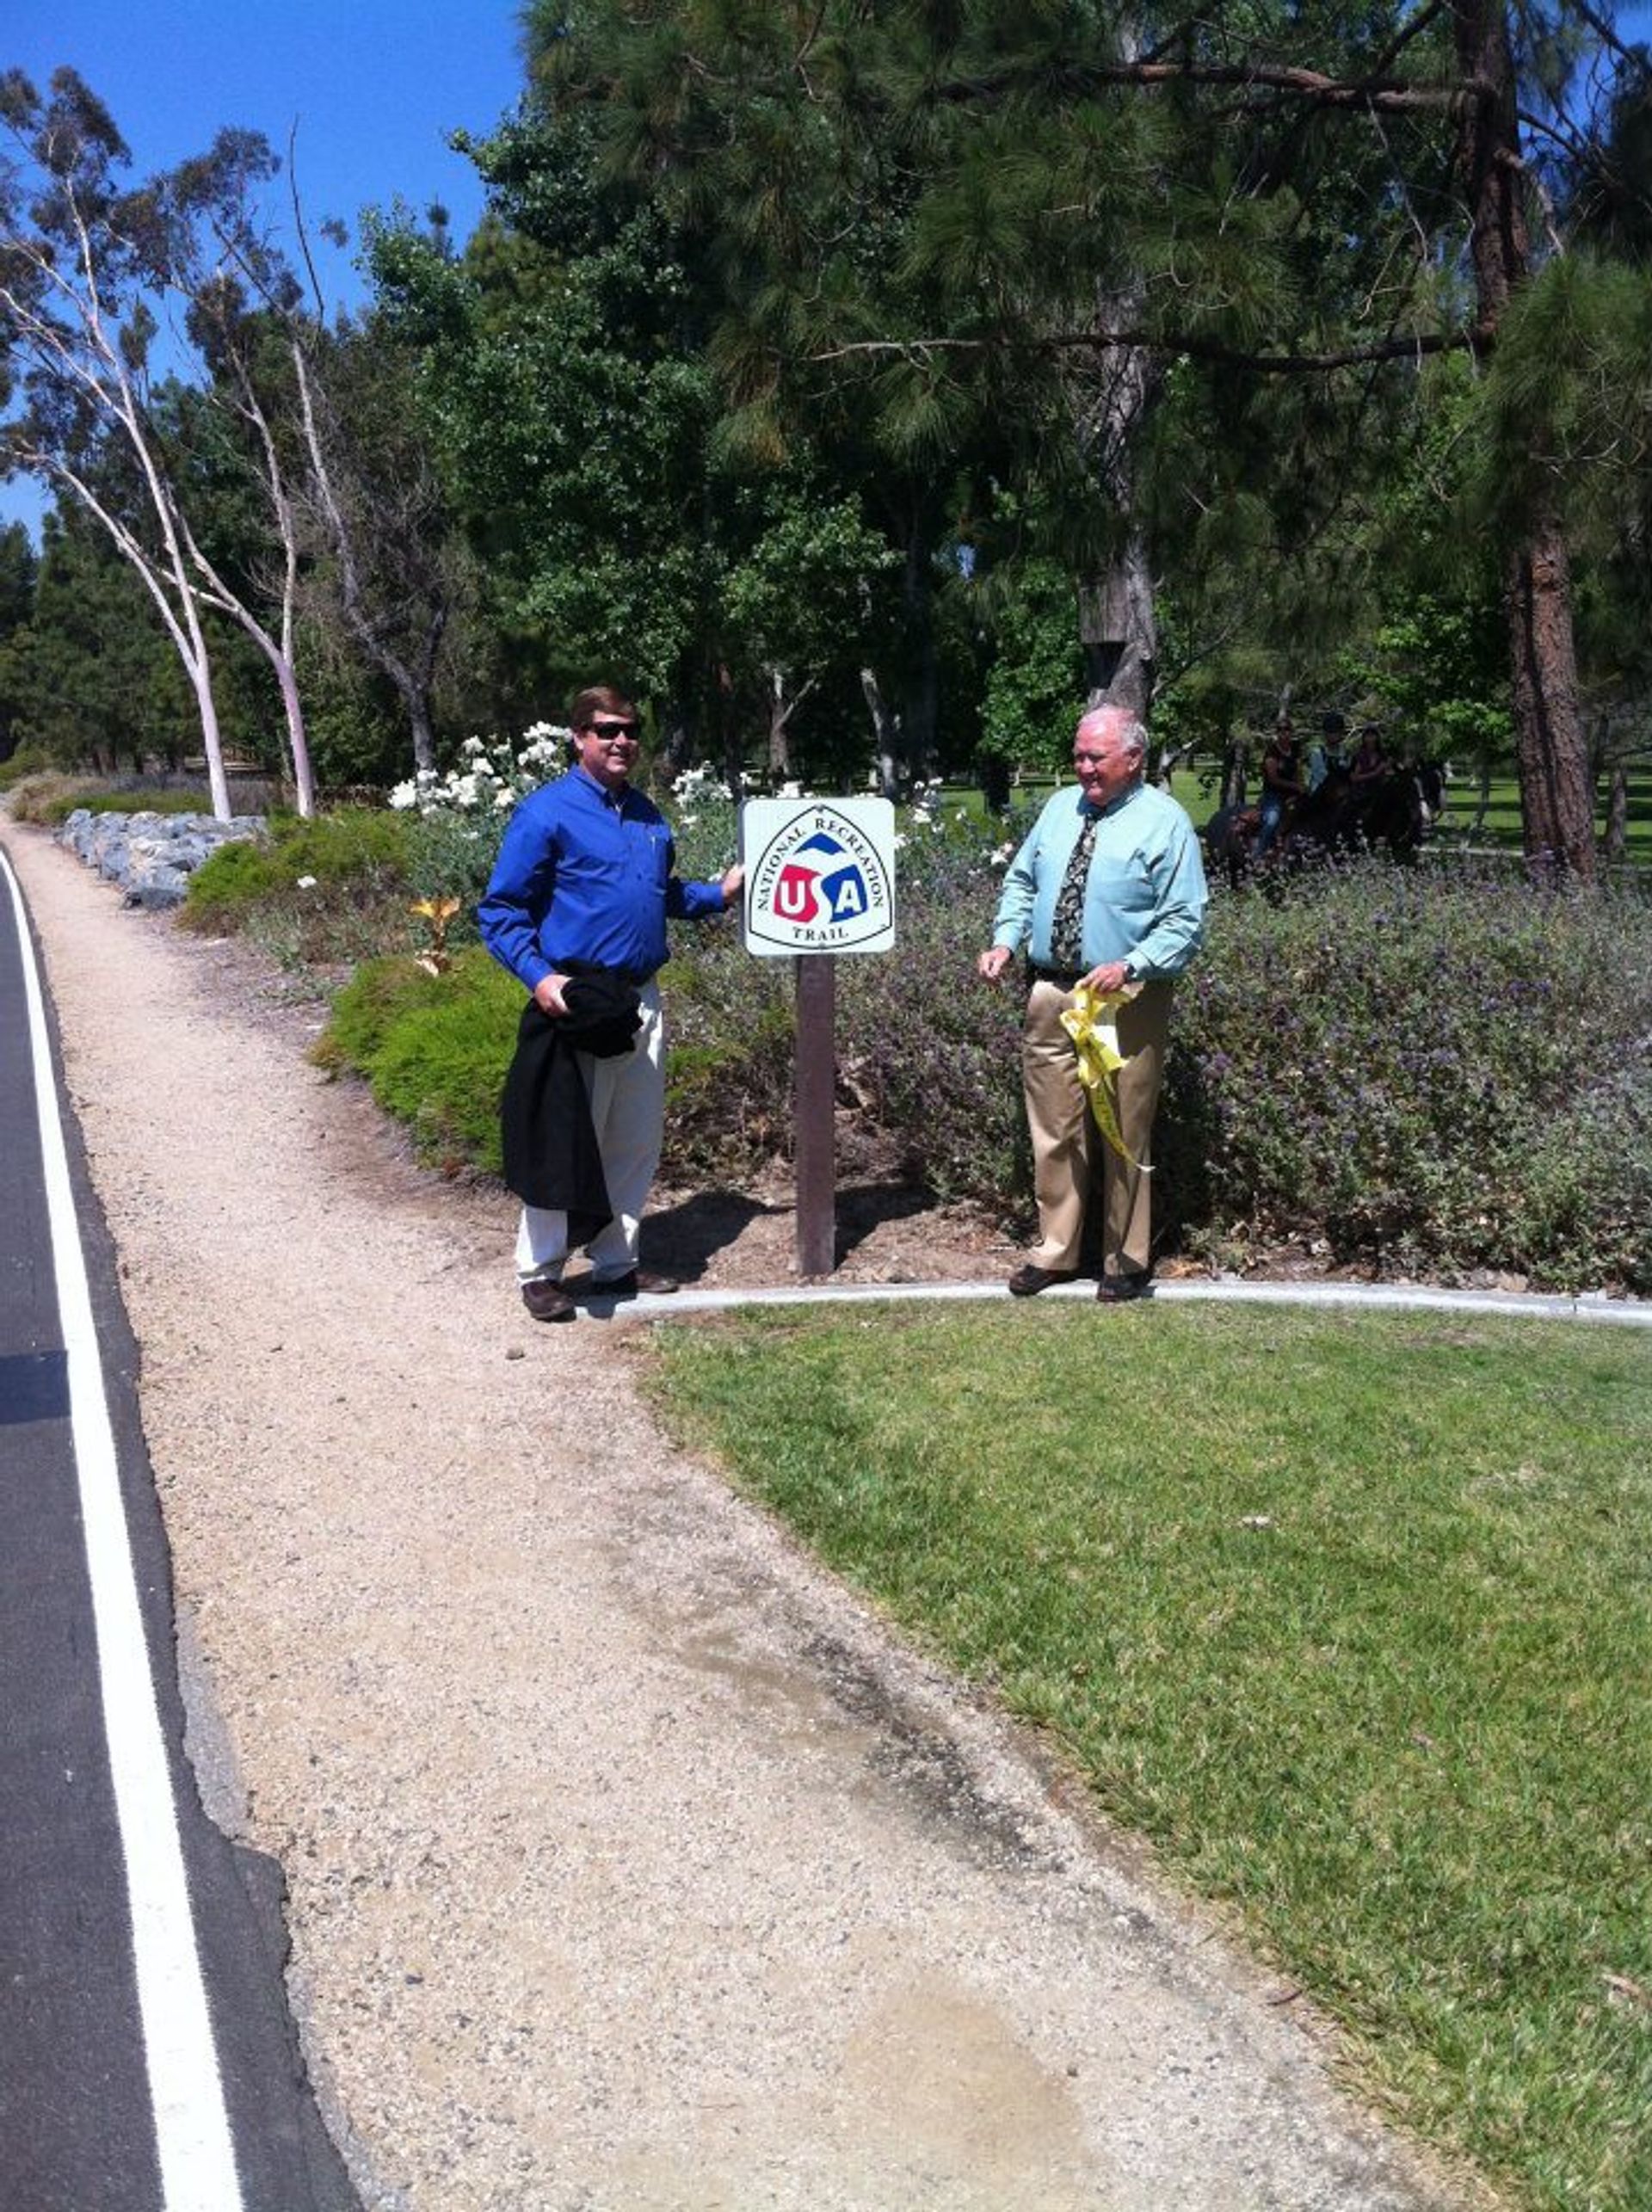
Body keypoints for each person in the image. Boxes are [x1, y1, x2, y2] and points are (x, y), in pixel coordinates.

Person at [479, 686, 744, 1322]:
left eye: (630, 729)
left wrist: (719, 894)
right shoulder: (546, 814)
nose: (622, 739)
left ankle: (615, 1261)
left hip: (639, 1000)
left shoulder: (650, 816)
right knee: (565, 1140)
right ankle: (540, 1271)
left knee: (633, 1139)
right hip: (575, 1002)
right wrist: (542, 980)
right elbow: (501, 910)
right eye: (607, 730)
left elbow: (662, 894)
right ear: (578, 736)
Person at [977, 705, 1207, 1303]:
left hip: (1123, 996)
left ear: (1133, 758)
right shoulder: (1058, 810)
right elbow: (1022, 882)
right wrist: (1006, 939)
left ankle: (1124, 1260)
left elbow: (1185, 919)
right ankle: (1057, 1251)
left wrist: (1131, 964)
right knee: (1054, 1128)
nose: (1083, 767)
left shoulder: (1166, 822)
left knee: (1124, 1130)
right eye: (1078, 755)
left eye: (1095, 757)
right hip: (1052, 991)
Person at [1254, 716, 1305, 856]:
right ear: (1277, 733)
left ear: (1291, 732)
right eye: (1280, 730)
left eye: (1287, 729)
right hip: (1274, 794)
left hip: (1293, 794)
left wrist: (1301, 787)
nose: (1284, 733)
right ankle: (1258, 853)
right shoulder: (1272, 752)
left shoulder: (1296, 748)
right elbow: (1273, 779)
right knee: (1272, 820)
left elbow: (1298, 770)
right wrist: (1295, 786)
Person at [1306, 711, 1348, 795]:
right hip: (1320, 794)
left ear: (1341, 733)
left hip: (1341, 792)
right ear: (1325, 733)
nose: (1333, 735)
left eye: (1336, 731)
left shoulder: (1345, 753)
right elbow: (1321, 777)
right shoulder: (1317, 753)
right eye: (1330, 731)